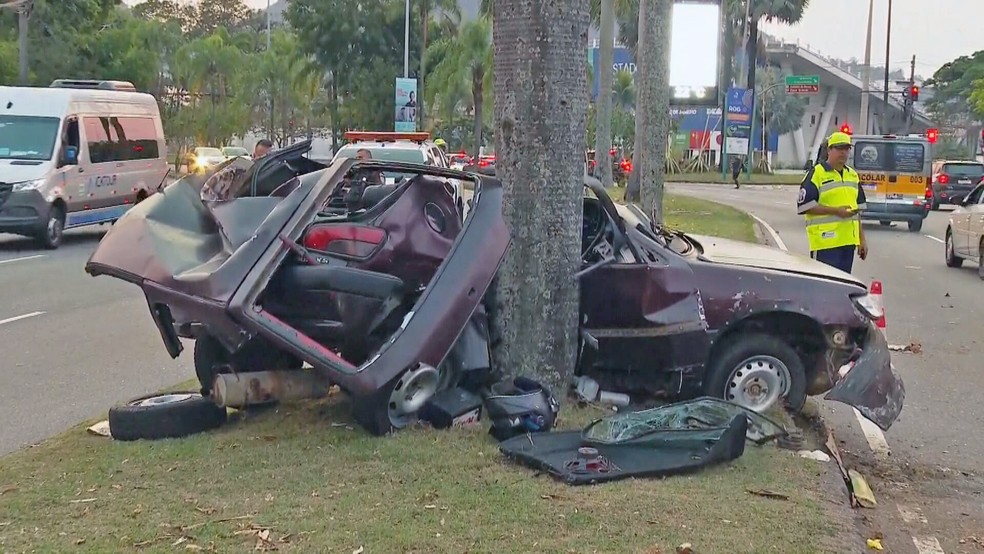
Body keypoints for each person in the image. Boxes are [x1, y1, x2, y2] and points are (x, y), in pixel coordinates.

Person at [797, 131, 868, 274]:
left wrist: (862, 240)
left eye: (846, 149)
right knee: (823, 286)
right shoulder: (817, 173)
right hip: (825, 243)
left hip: (848, 243)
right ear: (829, 150)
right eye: (839, 148)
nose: (843, 152)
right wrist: (836, 211)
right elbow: (804, 206)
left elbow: (856, 211)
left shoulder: (852, 175)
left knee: (843, 286)